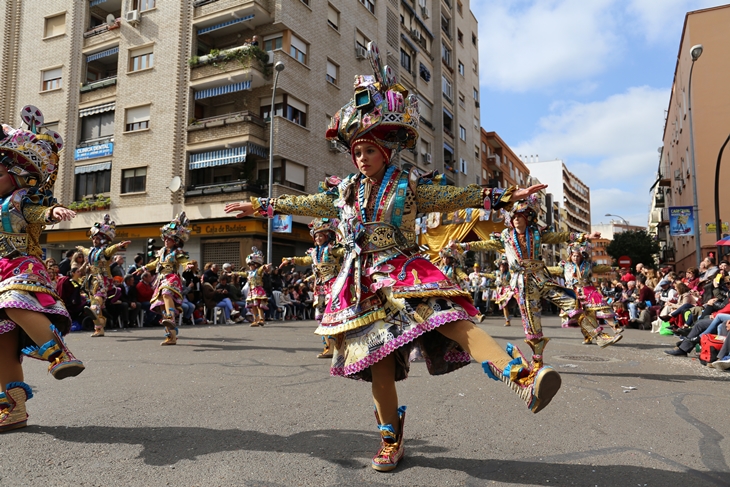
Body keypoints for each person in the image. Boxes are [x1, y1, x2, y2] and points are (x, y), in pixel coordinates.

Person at [224, 42, 558, 472]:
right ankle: (390, 440)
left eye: (369, 151)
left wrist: (507, 194)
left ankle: (523, 378)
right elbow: (309, 203)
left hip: (405, 269)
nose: (362, 159)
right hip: (362, 284)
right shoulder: (344, 192)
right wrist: (264, 205)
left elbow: (458, 196)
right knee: (377, 362)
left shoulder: (410, 187)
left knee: (455, 321)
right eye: (357, 153)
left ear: (386, 151)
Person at [0, 106, 85, 431]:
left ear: (19, 176)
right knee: (2, 346)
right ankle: (14, 407)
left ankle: (59, 354)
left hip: (21, 266)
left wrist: (54, 212)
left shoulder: (21, 200)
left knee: (13, 303)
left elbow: (40, 211)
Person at [453, 197, 618, 360]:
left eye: (520, 216)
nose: (516, 219)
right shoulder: (505, 236)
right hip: (522, 282)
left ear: (526, 218)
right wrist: (462, 246)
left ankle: (598, 335)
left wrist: (585, 236)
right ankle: (537, 360)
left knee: (571, 302)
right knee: (531, 321)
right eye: (514, 217)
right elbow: (485, 244)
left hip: (541, 277)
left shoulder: (536, 233)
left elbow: (559, 236)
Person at [281, 217, 344, 358]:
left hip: (333, 285)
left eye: (321, 235)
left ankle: (339, 346)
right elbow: (304, 260)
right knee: (319, 316)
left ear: (327, 236)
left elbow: (344, 252)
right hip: (319, 287)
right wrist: (290, 260)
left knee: (334, 316)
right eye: (316, 236)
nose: (318, 238)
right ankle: (328, 346)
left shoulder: (332, 249)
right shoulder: (314, 252)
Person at [135, 213, 191, 345]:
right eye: (165, 238)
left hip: (172, 278)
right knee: (161, 307)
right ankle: (171, 336)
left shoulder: (177, 252)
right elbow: (155, 264)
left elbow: (183, 260)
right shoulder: (161, 252)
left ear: (176, 241)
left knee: (166, 293)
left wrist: (186, 264)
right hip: (160, 279)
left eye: (170, 239)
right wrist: (143, 268)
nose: (166, 240)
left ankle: (171, 317)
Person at [76, 214, 131, 337]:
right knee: (96, 307)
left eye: (97, 238)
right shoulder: (91, 251)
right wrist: (80, 248)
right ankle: (99, 327)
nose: (94, 240)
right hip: (92, 280)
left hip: (103, 280)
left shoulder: (104, 251)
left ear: (103, 240)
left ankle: (95, 308)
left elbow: (111, 250)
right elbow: (85, 250)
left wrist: (119, 245)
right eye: (93, 238)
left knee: (97, 299)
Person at [244, 247, 272, 327]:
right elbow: (241, 273)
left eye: (251, 265)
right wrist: (232, 273)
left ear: (255, 265)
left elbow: (261, 268)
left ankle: (261, 320)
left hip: (258, 290)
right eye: (249, 265)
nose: (250, 266)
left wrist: (265, 266)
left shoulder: (258, 271)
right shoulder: (249, 273)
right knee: (253, 306)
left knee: (259, 305)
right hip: (252, 291)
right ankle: (255, 320)